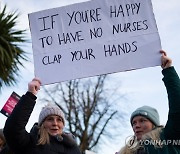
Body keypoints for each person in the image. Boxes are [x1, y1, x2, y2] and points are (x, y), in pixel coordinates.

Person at [116, 50, 180, 154]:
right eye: (134, 123)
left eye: (142, 121)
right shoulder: (126, 151)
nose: (136, 126)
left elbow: (177, 107)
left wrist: (168, 71)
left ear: (154, 124)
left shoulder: (168, 137)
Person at [3, 78, 81, 154]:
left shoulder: (72, 147)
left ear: (63, 125)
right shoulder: (29, 142)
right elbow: (12, 130)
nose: (55, 123)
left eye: (59, 120)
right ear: (42, 124)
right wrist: (30, 95)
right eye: (50, 119)